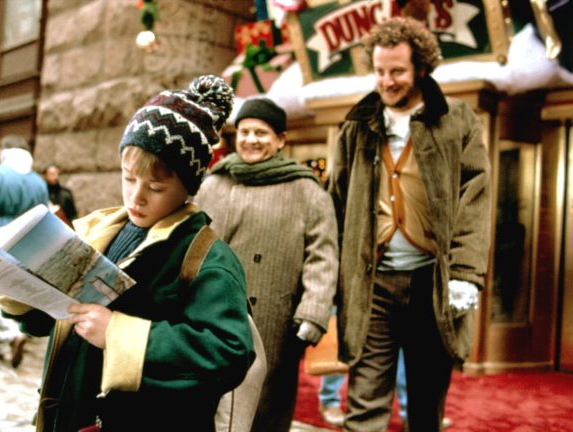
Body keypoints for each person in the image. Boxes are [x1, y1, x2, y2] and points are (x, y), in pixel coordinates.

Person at [0, 75, 255, 431]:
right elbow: (51, 321)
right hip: (69, 415)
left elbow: (230, 352)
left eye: (155, 187)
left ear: (188, 187)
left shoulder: (207, 258)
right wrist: (19, 287)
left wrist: (118, 333)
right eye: (128, 178)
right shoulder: (97, 230)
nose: (136, 197)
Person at [327, 17, 491, 432]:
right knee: (363, 403)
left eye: (397, 71)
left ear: (421, 67)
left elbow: (476, 197)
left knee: (425, 406)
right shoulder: (356, 123)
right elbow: (337, 202)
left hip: (431, 283)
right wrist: (332, 278)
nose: (387, 80)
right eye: (380, 71)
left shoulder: (456, 119)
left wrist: (466, 274)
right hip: (372, 284)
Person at [195, 97, 339, 432]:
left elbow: (323, 255)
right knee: (209, 401)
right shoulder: (214, 183)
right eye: (245, 131)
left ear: (280, 140)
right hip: (211, 313)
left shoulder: (307, 190)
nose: (251, 139)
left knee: (266, 405)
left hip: (275, 320)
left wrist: (313, 311)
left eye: (261, 132)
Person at [0, 134, 50, 368]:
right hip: (30, 240)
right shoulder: (38, 181)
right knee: (18, 290)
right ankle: (4, 341)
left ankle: (9, 333)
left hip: (1, 236)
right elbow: (45, 213)